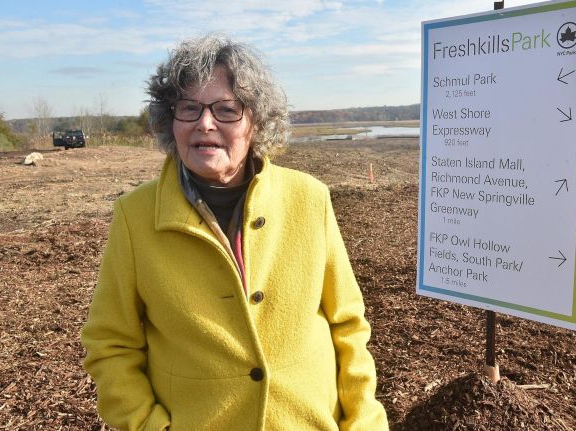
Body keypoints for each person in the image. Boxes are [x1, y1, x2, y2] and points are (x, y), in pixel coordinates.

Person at [80, 34, 389, 430]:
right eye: (189, 108)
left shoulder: (310, 199)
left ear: (256, 122)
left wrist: (364, 422)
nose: (204, 123)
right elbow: (110, 345)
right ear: (169, 120)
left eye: (226, 109)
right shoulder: (134, 216)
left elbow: (348, 324)